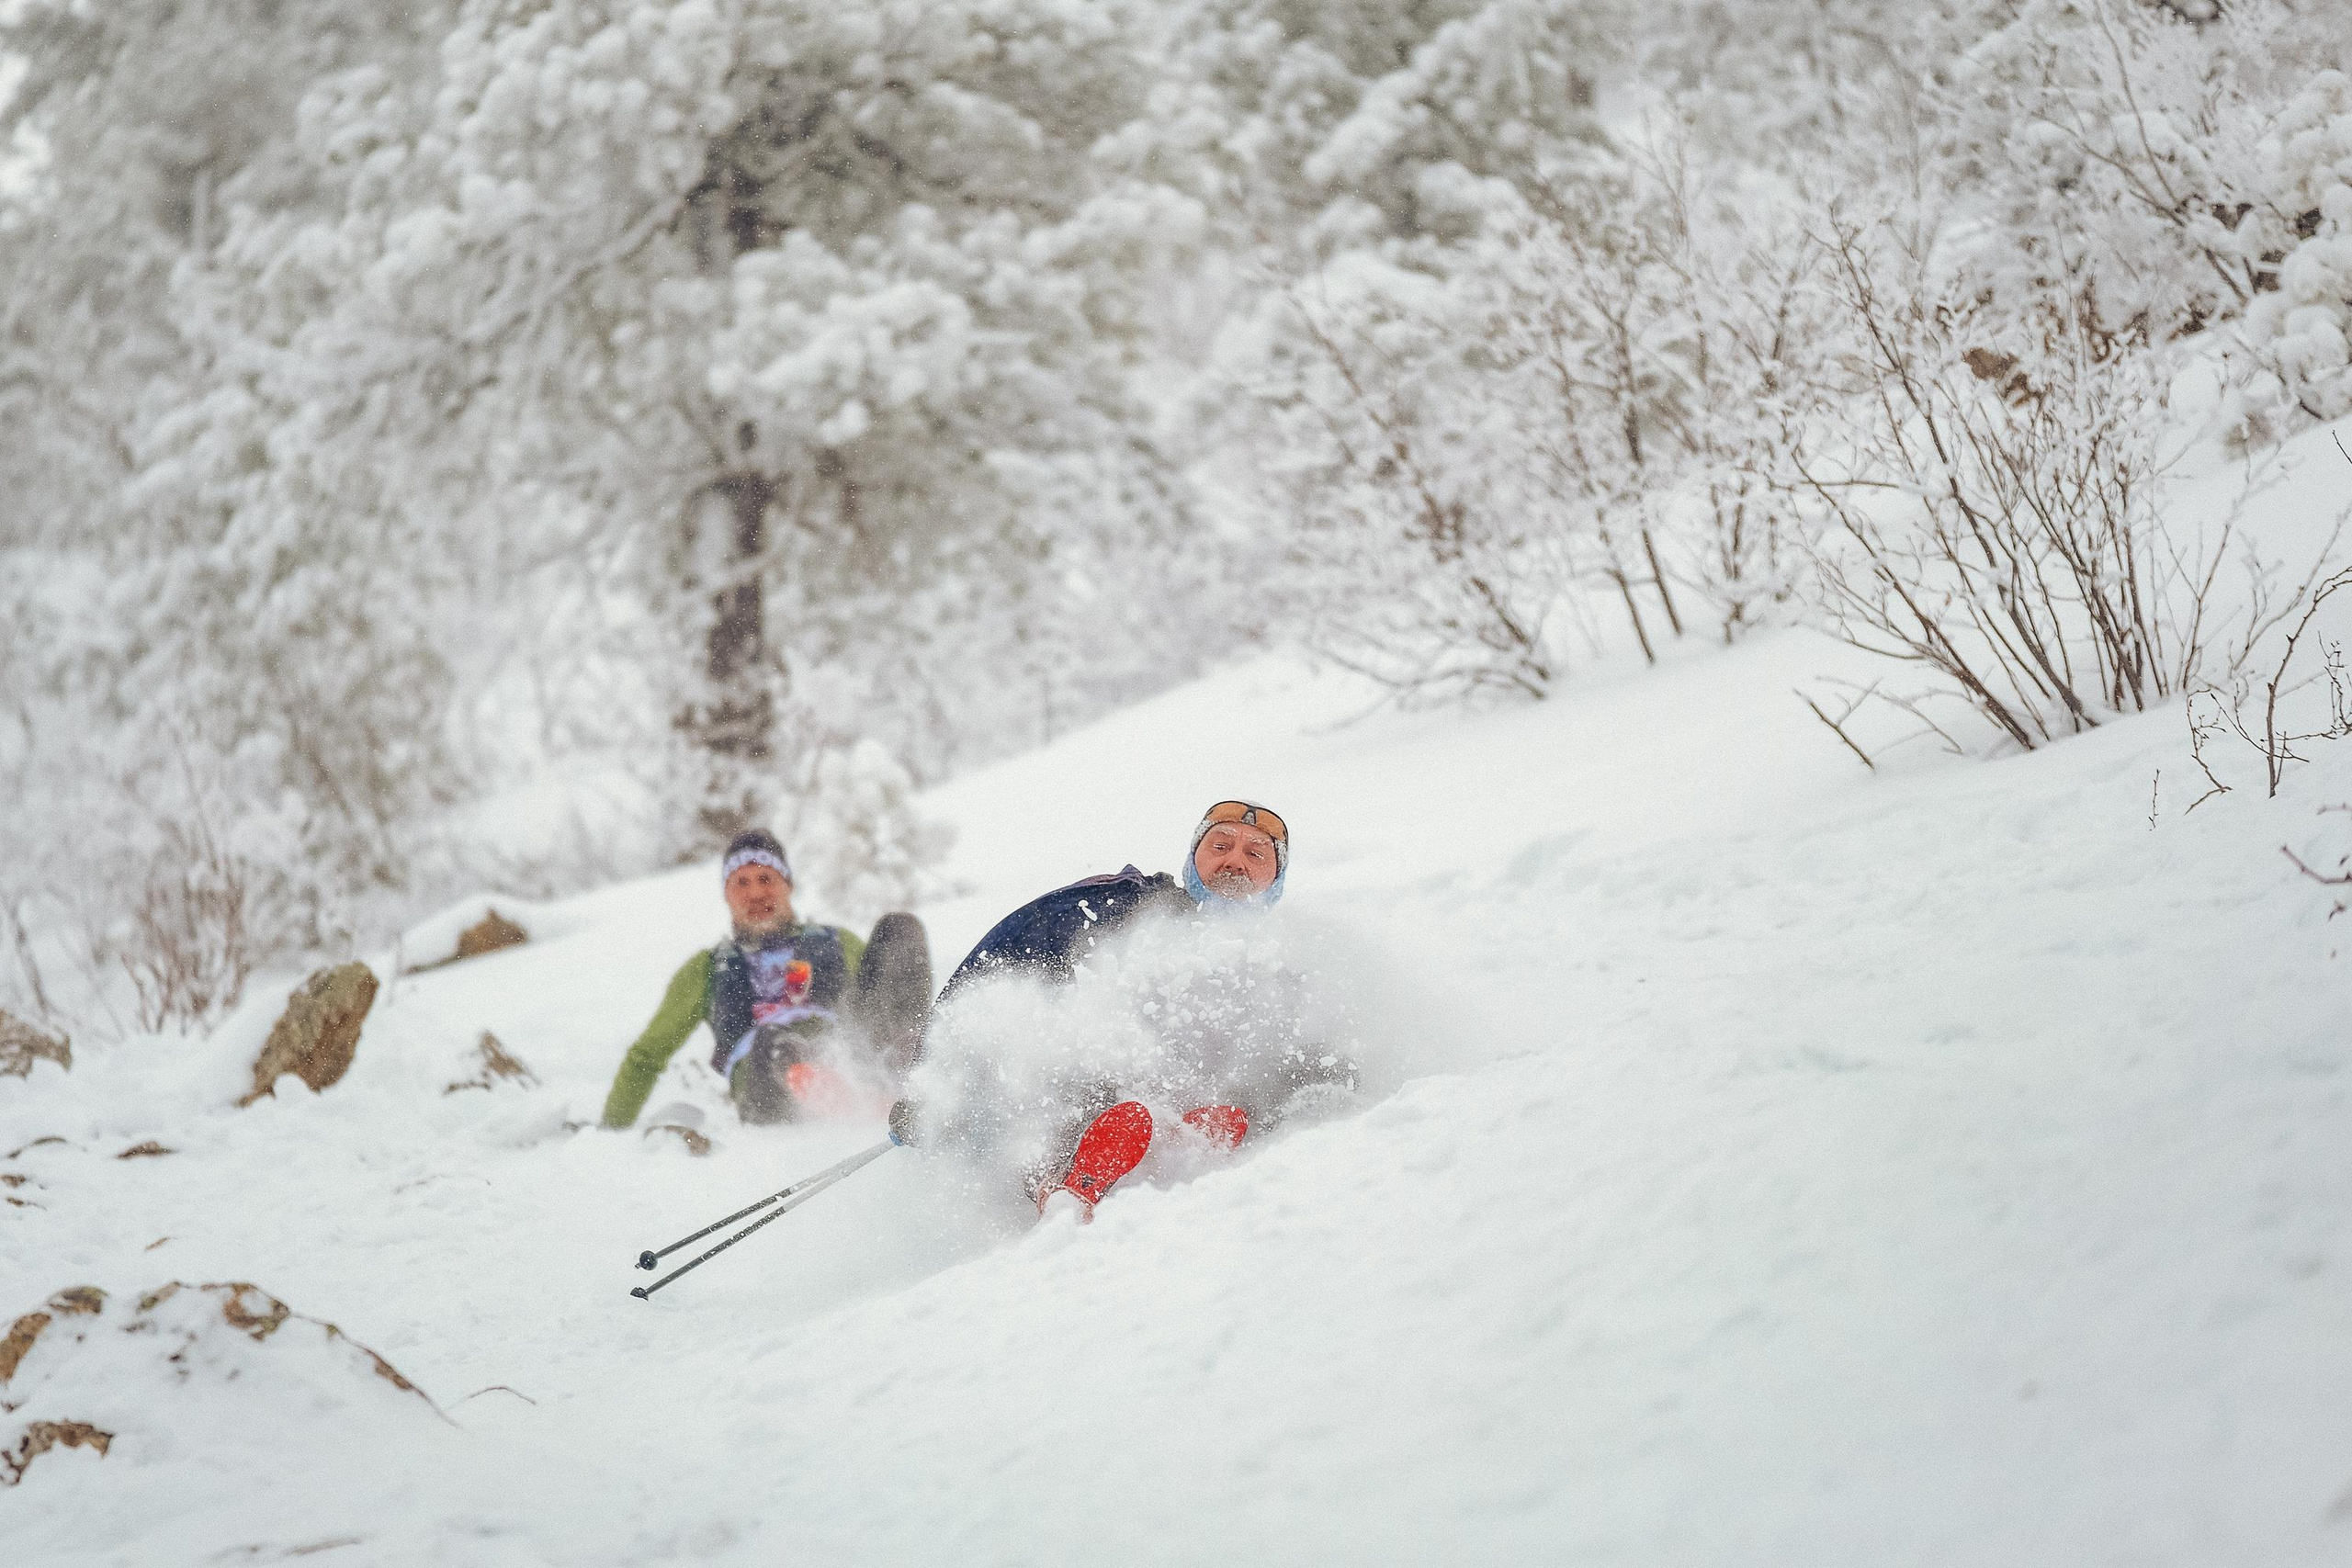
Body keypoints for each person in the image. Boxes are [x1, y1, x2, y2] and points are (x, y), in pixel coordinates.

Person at [892, 799, 1353, 1219]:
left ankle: (1183, 1149)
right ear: (1193, 858)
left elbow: (1321, 1058)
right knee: (1081, 1073)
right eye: (1220, 845)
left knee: (1279, 1085)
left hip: (1199, 1112)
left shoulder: (1284, 968)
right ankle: (1066, 1190)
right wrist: (929, 1087)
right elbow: (1001, 961)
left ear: (1276, 881)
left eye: (1256, 854)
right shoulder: (1121, 905)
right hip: (1078, 1098)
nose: (1234, 859)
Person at [600, 828, 933, 1130]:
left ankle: (919, 1079)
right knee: (775, 1043)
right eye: (741, 883)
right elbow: (646, 1056)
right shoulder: (707, 969)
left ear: (787, 885)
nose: (756, 893)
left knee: (899, 929)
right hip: (765, 1083)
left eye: (765, 878)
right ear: (727, 895)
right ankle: (850, 1107)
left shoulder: (835, 943)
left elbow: (885, 996)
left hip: (849, 1054)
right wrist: (610, 1132)